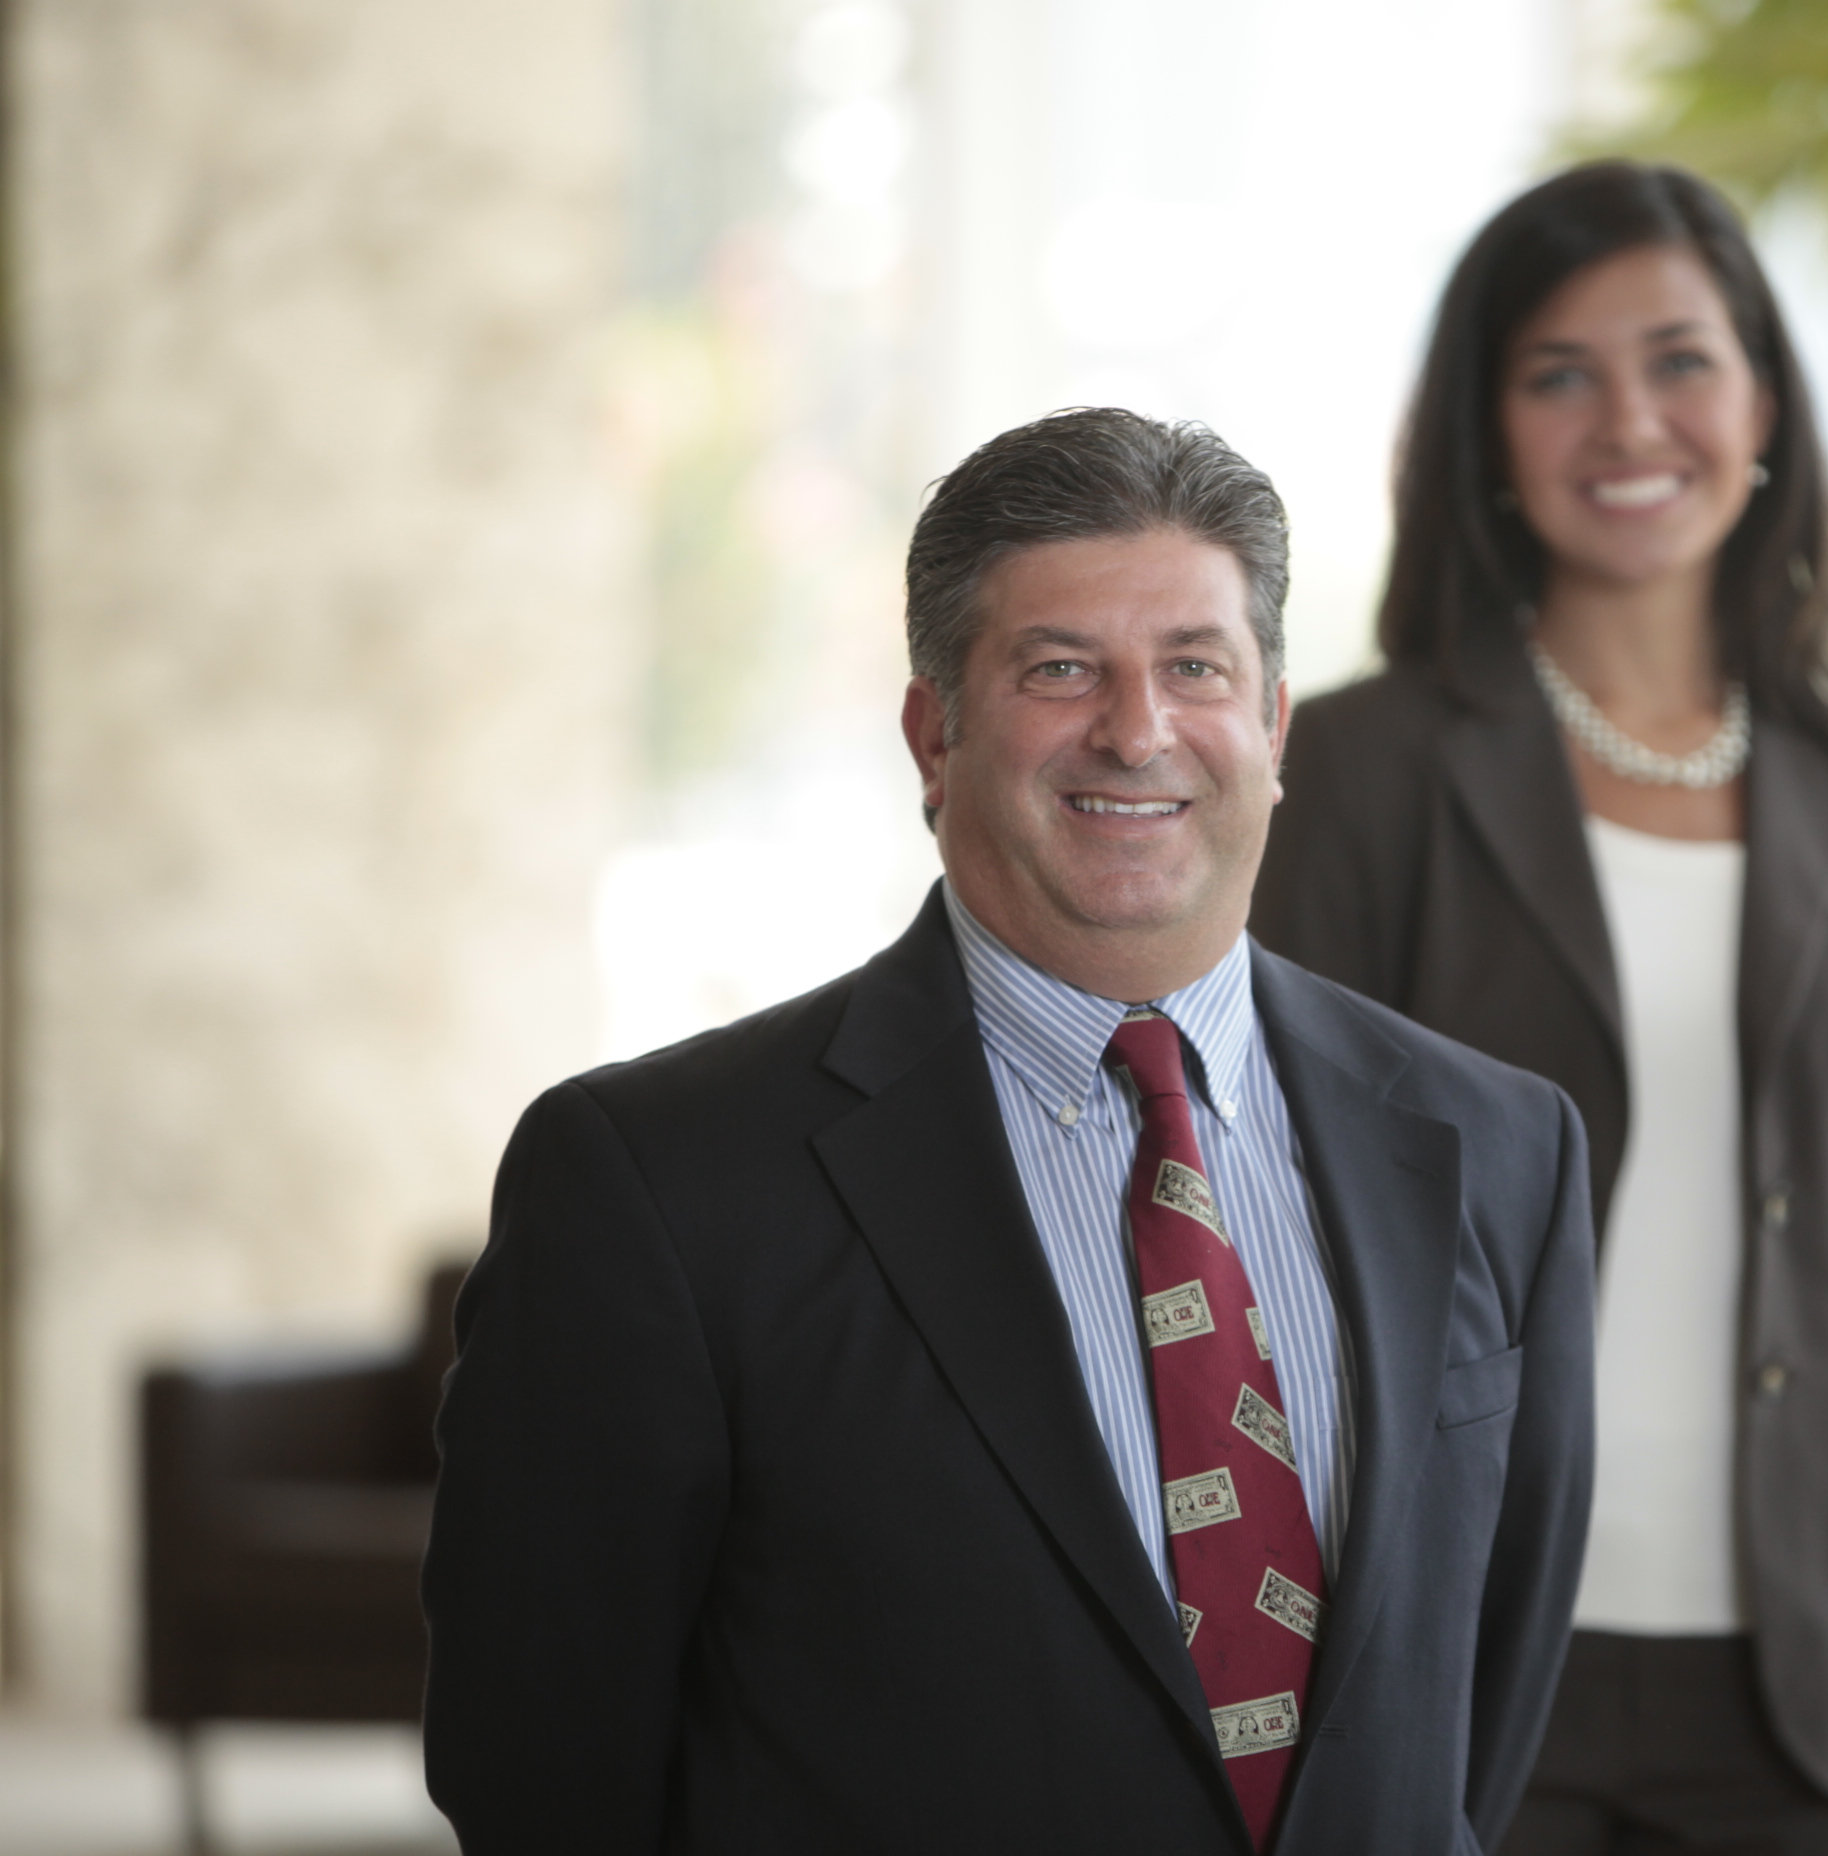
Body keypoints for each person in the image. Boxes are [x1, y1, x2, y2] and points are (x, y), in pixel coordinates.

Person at [422, 408, 1598, 1855]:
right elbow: (541, 1768)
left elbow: (1481, 1716)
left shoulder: (1500, 1150)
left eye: (1195, 668)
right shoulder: (658, 1185)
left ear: (1275, 725)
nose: (1138, 729)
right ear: (936, 732)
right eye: (1059, 670)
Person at [1253, 162, 1828, 1856]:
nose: (1627, 419)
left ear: (1761, 403)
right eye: (1556, 373)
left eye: (1678, 359)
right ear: (1482, 432)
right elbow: (1262, 1245)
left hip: (1812, 1705)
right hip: (1452, 1667)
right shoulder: (1358, 770)